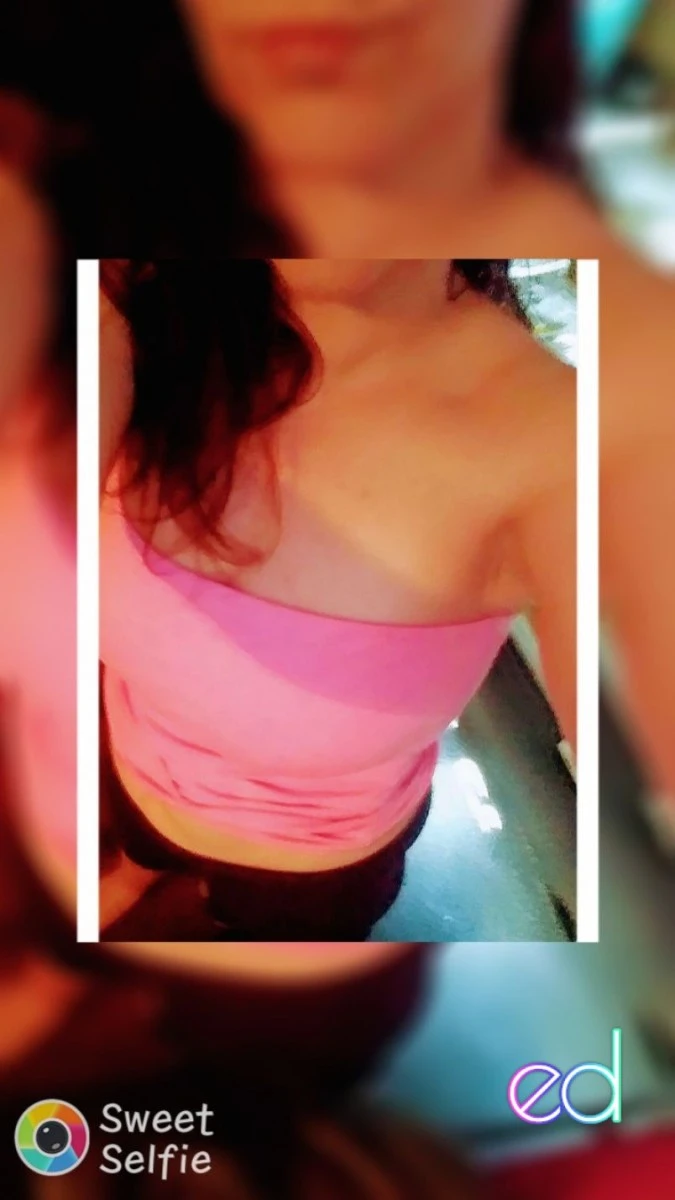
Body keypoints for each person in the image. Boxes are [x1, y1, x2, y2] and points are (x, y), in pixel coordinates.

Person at [100, 257, 576, 940]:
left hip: (313, 869)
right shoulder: (138, 302)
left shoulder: (556, 444)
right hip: (139, 765)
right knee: (143, 847)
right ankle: (140, 868)